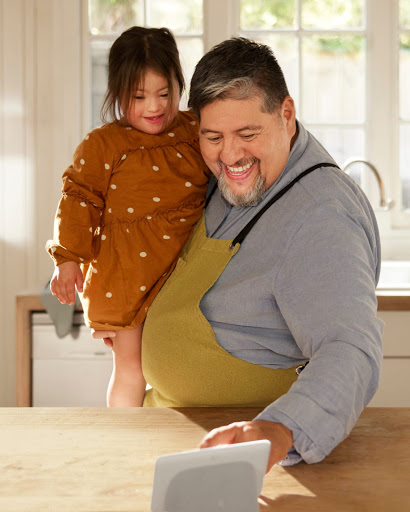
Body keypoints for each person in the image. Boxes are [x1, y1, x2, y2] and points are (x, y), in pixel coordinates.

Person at [94, 36, 384, 470]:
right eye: (213, 136)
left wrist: (278, 430)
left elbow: (349, 347)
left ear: (286, 115)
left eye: (247, 134)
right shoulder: (220, 177)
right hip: (164, 437)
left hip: (240, 466)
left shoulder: (321, 215)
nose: (230, 155)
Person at [46, 27, 210, 407]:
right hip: (126, 278)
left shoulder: (193, 131)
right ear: (118, 93)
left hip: (184, 273)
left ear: (178, 85)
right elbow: (78, 200)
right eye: (139, 97)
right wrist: (67, 258)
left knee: (182, 366)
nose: (153, 107)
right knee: (131, 368)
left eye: (164, 94)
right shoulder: (103, 145)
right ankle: (125, 446)